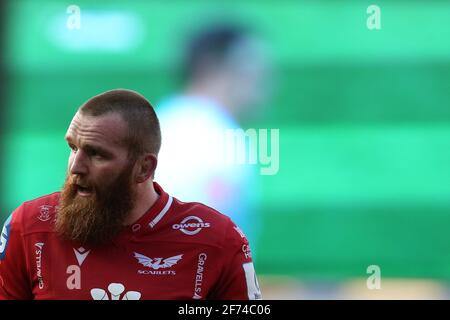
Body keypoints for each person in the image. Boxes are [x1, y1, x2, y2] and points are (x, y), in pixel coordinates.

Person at [0, 89, 262, 300]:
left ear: (144, 168)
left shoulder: (216, 240)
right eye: (73, 147)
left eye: (97, 154)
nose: (75, 167)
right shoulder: (29, 227)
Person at [157, 24, 271, 253]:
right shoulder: (214, 139)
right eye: (252, 66)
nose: (264, 81)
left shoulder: (165, 119)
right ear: (211, 67)